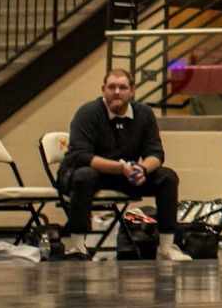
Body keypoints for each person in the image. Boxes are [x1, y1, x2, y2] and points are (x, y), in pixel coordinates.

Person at [59, 68, 190, 261]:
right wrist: (121, 168)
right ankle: (77, 247)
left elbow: (156, 154)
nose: (117, 92)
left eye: (122, 87)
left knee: (167, 177)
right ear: (103, 90)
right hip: (88, 173)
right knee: (84, 176)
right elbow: (81, 156)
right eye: (112, 87)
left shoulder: (144, 113)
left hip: (126, 175)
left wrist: (142, 169)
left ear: (132, 91)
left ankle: (166, 247)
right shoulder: (87, 113)